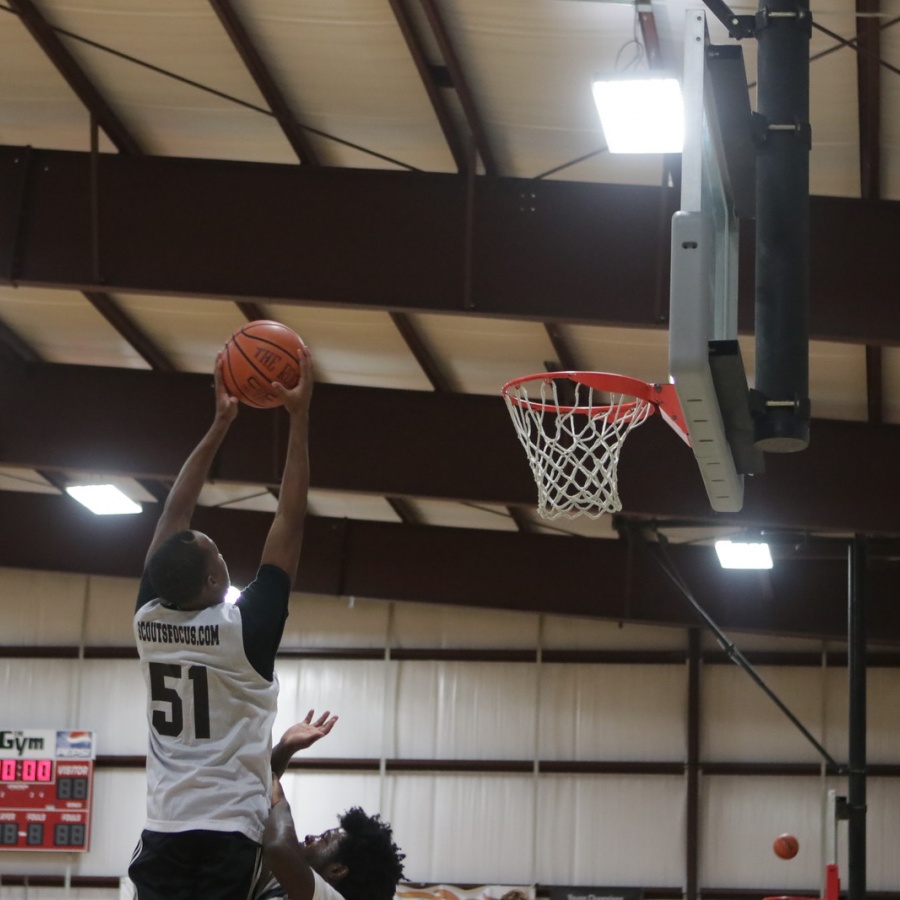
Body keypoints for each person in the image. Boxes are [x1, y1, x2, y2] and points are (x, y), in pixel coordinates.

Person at [128, 344, 314, 900]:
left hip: (163, 827)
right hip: (229, 829)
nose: (223, 554)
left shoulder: (148, 617)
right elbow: (289, 519)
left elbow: (173, 513)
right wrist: (299, 418)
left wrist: (219, 425)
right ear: (214, 581)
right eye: (219, 554)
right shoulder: (244, 631)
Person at [255, 713, 406, 900]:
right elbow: (259, 791)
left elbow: (278, 846)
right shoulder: (286, 880)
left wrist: (280, 803)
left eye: (324, 839)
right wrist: (286, 748)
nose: (310, 837)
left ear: (337, 870)